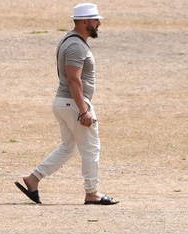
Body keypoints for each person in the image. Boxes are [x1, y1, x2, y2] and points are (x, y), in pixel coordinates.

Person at [15, 3, 119, 206]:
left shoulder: (72, 41)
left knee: (69, 147)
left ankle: (33, 179)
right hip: (74, 105)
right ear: (84, 21)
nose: (99, 24)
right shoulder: (75, 46)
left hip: (65, 103)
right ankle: (92, 193)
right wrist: (84, 110)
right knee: (91, 148)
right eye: (96, 20)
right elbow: (74, 79)